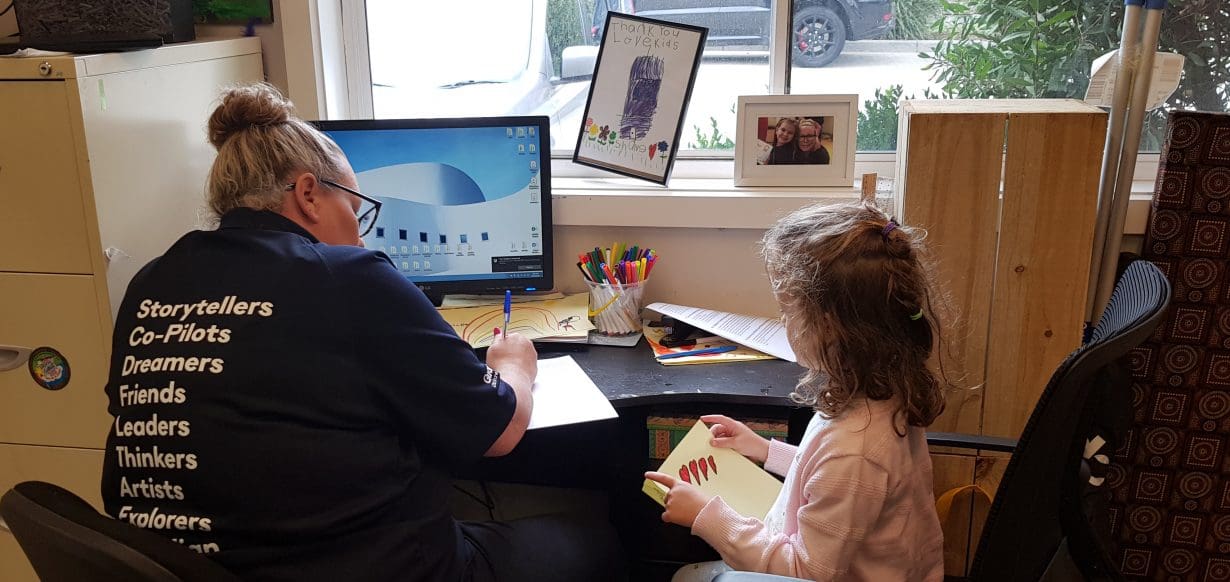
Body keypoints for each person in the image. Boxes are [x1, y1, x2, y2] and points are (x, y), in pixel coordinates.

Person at [101, 83, 623, 582]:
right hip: (362, 571)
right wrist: (514, 365)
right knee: (595, 541)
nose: (361, 231)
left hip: (189, 570)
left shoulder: (151, 280)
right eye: (356, 210)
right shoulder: (346, 276)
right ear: (309, 193)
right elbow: (500, 430)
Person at [646, 201, 948, 581]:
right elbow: (830, 480)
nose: (784, 322)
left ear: (830, 327)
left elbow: (804, 572)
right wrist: (764, 450)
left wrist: (708, 516)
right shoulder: (880, 392)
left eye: (789, 312)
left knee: (683, 577)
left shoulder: (857, 448)